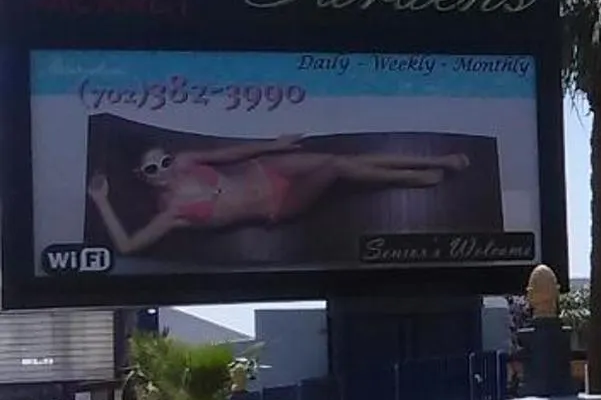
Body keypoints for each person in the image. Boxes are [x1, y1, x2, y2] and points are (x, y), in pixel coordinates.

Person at [86, 135, 473, 257]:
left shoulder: (186, 160)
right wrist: (101, 200)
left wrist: (274, 143)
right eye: (153, 169)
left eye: (164, 161)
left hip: (266, 170)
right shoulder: (171, 211)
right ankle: (418, 180)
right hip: (274, 205)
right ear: (143, 176)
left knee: (341, 159)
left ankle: (435, 160)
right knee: (337, 169)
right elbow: (128, 246)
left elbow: (231, 155)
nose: (163, 170)